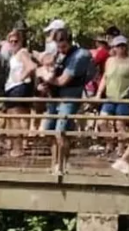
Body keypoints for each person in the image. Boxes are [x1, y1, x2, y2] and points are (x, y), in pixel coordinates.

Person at [40, 28, 95, 173]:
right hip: (54, 98)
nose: (61, 49)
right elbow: (48, 71)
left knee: (61, 131)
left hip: (69, 98)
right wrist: (45, 82)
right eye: (58, 46)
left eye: (63, 46)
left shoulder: (80, 56)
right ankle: (55, 162)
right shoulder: (56, 54)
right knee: (48, 130)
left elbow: (63, 80)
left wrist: (49, 79)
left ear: (69, 42)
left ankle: (63, 163)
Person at [96, 35, 129, 161]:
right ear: (114, 48)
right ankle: (110, 143)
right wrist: (99, 93)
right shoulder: (109, 61)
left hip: (124, 98)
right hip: (110, 97)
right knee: (101, 121)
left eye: (123, 45)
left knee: (120, 123)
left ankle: (120, 150)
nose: (121, 48)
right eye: (118, 46)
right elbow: (105, 77)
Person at [3, 29, 37, 157]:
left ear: (21, 41)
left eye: (15, 41)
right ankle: (20, 146)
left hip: (18, 88)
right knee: (15, 118)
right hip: (12, 88)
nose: (13, 43)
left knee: (16, 119)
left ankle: (18, 149)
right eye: (10, 41)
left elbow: (31, 66)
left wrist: (21, 78)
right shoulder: (13, 54)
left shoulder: (22, 52)